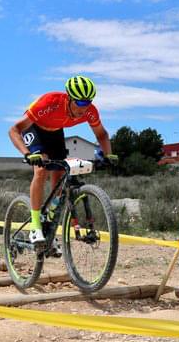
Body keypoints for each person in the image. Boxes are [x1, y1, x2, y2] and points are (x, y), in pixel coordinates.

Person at [8, 76, 116, 244]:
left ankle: (51, 213)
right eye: (80, 103)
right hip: (34, 128)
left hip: (55, 132)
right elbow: (14, 130)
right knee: (42, 168)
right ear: (69, 98)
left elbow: (101, 134)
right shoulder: (49, 102)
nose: (84, 107)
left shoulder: (90, 110)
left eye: (88, 102)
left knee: (60, 171)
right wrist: (27, 154)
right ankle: (35, 225)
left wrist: (108, 154)